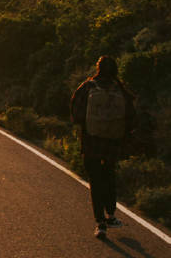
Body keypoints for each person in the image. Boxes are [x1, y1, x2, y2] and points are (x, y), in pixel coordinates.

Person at [70, 55, 135, 239]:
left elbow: (75, 113)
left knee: (95, 180)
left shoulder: (88, 87)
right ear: (115, 70)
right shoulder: (120, 89)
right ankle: (111, 214)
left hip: (91, 142)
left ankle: (100, 223)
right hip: (113, 143)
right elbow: (131, 117)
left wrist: (87, 126)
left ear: (98, 68)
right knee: (109, 175)